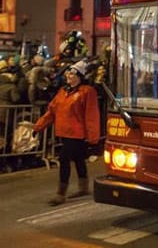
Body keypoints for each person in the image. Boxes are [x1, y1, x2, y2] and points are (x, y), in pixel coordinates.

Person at [34, 60, 100, 206]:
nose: (69, 75)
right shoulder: (63, 92)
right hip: (65, 132)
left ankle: (60, 194)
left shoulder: (87, 92)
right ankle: (83, 187)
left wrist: (93, 137)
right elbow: (52, 112)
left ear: (80, 76)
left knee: (64, 159)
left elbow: (91, 115)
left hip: (77, 134)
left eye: (73, 73)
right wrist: (38, 126)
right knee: (78, 158)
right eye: (69, 73)